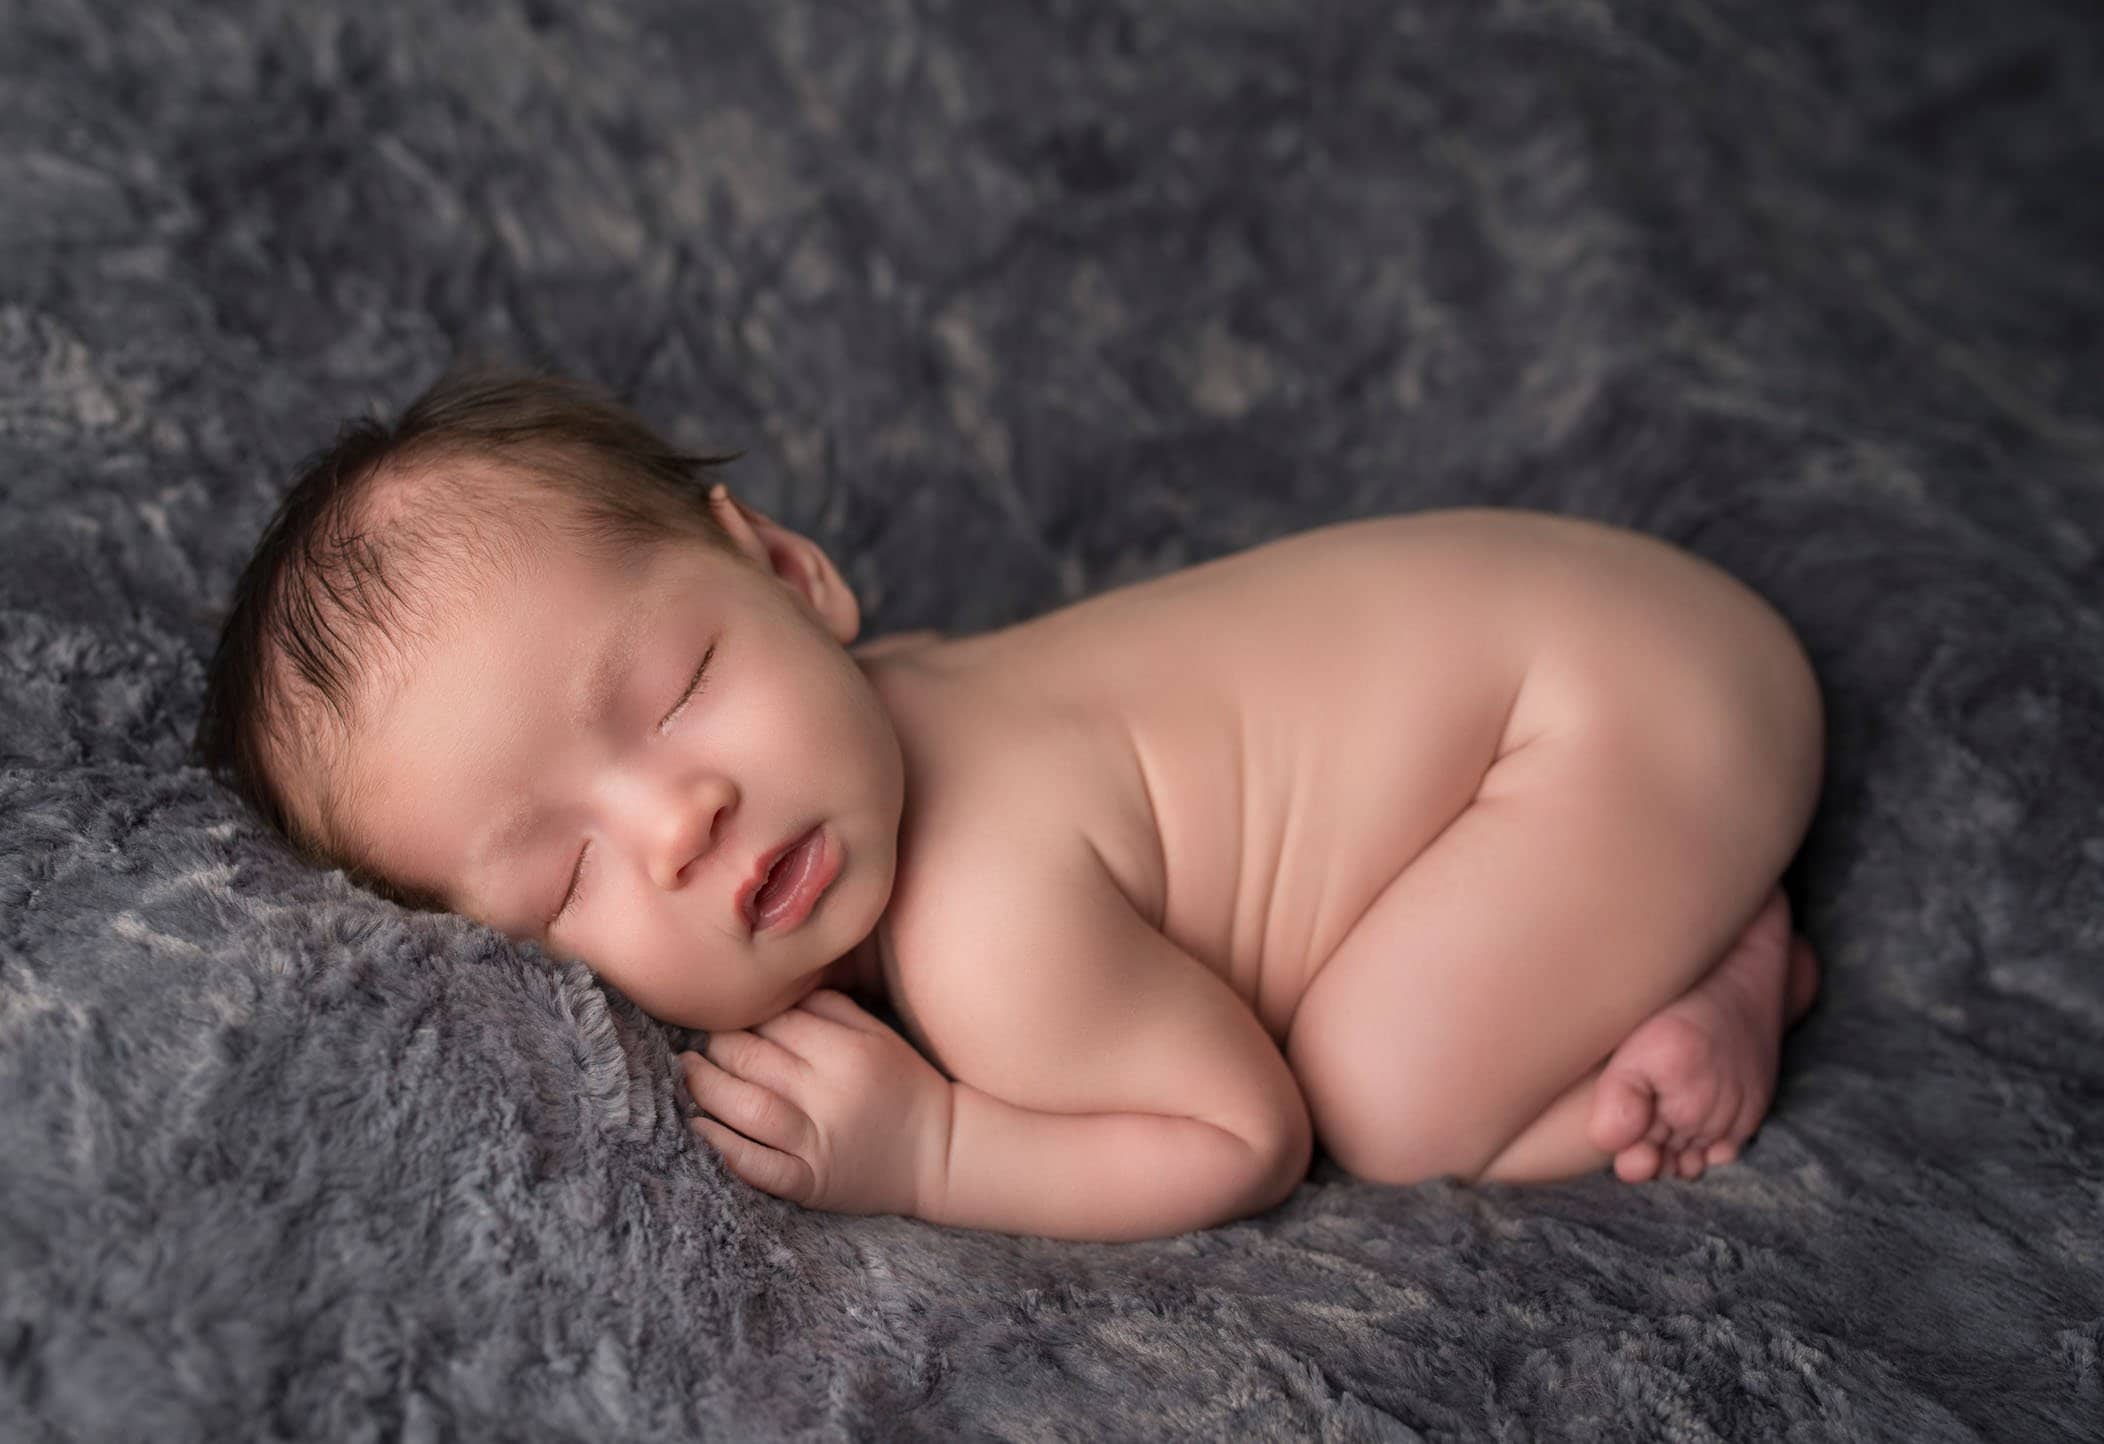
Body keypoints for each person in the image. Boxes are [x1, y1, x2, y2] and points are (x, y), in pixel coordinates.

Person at [192, 365, 1825, 1244]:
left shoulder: (983, 927)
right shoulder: (888, 695)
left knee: (1380, 1104)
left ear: (783, 568)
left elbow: (1244, 1139)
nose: (678, 817)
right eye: (563, 877)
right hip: (1601, 624)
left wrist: (940, 1146)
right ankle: (1660, 893)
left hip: (1617, 716)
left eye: (679, 687)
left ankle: (1720, 958)